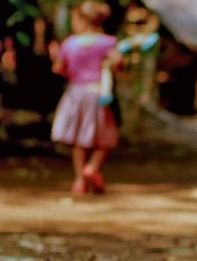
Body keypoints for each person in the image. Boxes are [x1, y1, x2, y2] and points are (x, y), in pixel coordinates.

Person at [50, 0, 121, 196]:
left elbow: (59, 69)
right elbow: (118, 64)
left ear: (82, 19)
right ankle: (92, 167)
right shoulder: (107, 43)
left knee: (79, 139)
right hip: (98, 93)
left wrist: (55, 57)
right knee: (106, 137)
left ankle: (80, 180)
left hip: (75, 93)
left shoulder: (69, 44)